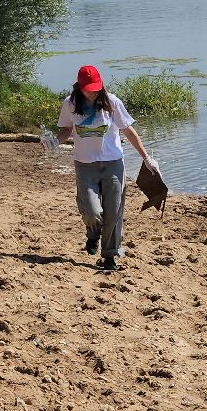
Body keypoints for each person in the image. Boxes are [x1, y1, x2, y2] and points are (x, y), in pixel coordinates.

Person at [56, 65, 155, 272]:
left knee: (114, 211)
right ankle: (92, 232)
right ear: (79, 87)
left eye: (95, 87)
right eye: (88, 88)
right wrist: (54, 142)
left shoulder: (112, 102)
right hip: (85, 165)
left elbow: (128, 130)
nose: (92, 92)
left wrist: (146, 158)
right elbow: (66, 130)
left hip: (113, 164)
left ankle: (110, 255)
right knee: (92, 211)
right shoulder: (70, 103)